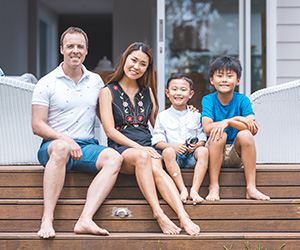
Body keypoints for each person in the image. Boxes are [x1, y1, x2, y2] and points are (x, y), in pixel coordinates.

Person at [99, 42, 200, 236]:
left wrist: (188, 113)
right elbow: (110, 131)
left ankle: (183, 216)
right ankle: (159, 213)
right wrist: (139, 147)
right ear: (125, 60)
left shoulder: (148, 92)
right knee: (146, 157)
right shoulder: (107, 91)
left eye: (143, 64)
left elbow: (160, 123)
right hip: (122, 146)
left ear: (147, 68)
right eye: (134, 60)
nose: (136, 67)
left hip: (148, 146)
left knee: (154, 163)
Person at [31, 27, 123, 238]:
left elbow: (106, 117)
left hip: (87, 147)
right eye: (70, 46)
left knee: (114, 158)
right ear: (62, 49)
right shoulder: (47, 82)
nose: (75, 51)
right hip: (54, 146)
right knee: (62, 147)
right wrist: (65, 138)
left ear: (86, 51)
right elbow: (37, 125)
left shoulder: (96, 81)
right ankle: (47, 219)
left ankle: (85, 219)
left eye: (80, 46)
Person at [201, 56, 270, 201]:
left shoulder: (242, 100)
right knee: (219, 134)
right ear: (212, 80)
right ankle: (214, 186)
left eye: (229, 76)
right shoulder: (208, 99)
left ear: (238, 81)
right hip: (213, 151)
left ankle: (251, 188)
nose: (224, 79)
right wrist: (236, 120)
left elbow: (252, 129)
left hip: (236, 153)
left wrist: (228, 122)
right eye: (219, 76)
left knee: (245, 135)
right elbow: (207, 128)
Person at [152, 73, 208, 205]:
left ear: (191, 94)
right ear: (167, 92)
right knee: (167, 152)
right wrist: (174, 147)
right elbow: (157, 141)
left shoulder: (196, 115)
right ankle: (182, 189)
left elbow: (202, 138)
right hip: (173, 158)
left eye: (183, 90)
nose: (178, 93)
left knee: (204, 151)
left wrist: (197, 145)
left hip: (191, 157)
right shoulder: (162, 116)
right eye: (174, 89)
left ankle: (194, 190)